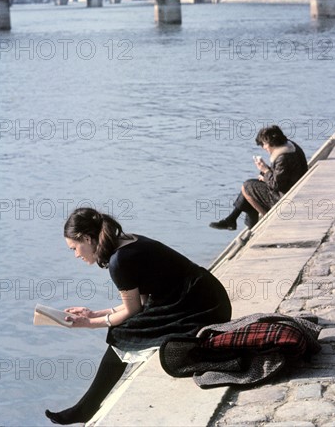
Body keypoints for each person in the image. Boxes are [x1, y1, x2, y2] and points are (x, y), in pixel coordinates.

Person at [45, 207, 231, 425]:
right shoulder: (127, 243)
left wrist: (89, 323)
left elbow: (132, 311)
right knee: (124, 328)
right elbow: (140, 305)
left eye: (74, 248)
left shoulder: (119, 261)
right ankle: (86, 406)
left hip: (200, 306)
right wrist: (94, 314)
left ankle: (86, 408)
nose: (76, 254)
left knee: (121, 333)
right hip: (204, 297)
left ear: (87, 238)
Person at [210, 125, 308, 231]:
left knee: (247, 186)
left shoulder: (282, 157)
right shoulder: (292, 147)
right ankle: (232, 220)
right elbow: (285, 176)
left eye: (263, 144)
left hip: (285, 199)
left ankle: (242, 223)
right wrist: (266, 174)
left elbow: (277, 185)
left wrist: (266, 171)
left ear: (270, 142)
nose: (264, 148)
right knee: (251, 187)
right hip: (293, 191)